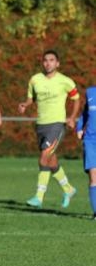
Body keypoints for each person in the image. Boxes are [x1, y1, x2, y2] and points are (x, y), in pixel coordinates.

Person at [18, 49, 80, 208]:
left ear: (57, 63)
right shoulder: (35, 79)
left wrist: (72, 118)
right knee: (50, 160)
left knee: (44, 157)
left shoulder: (65, 81)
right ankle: (68, 188)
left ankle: (39, 196)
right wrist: (26, 104)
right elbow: (31, 98)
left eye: (52, 60)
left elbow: (76, 99)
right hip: (41, 125)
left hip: (57, 124)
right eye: (45, 60)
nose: (48, 63)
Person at [76, 86, 96, 219]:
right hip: (90, 140)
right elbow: (85, 112)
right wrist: (79, 127)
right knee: (93, 178)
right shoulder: (90, 92)